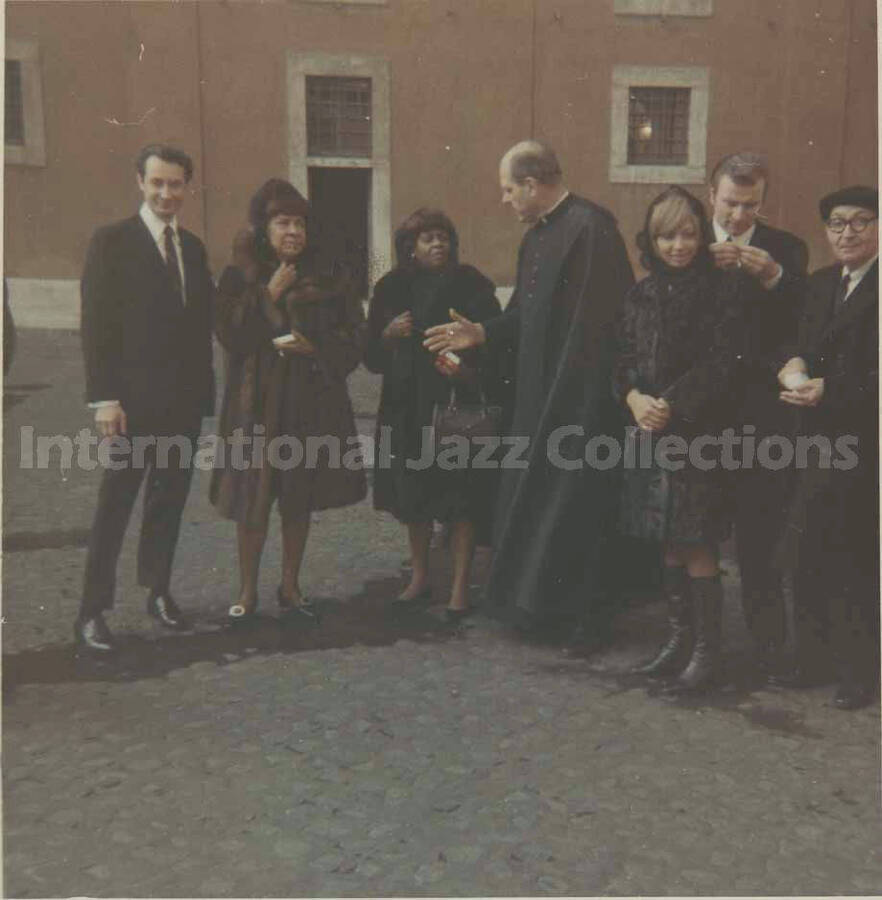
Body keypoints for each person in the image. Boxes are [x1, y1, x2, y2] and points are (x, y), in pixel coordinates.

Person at [424, 141, 634, 648]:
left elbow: (597, 331)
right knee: (540, 504)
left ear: (533, 185)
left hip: (581, 404)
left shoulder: (591, 230)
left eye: (507, 189)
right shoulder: (537, 238)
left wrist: (573, 404)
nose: (504, 200)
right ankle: (541, 610)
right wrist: (483, 334)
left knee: (578, 508)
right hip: (540, 398)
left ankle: (586, 622)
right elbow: (525, 316)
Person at [76, 144, 215, 651]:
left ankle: (157, 591)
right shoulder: (111, 242)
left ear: (186, 187)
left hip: (181, 405)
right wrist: (104, 400)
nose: (166, 193)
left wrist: (204, 398)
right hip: (131, 405)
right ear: (140, 181)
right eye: (157, 183)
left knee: (168, 502)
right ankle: (91, 611)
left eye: (175, 184)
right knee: (115, 504)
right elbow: (96, 326)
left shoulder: (194, 248)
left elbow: (200, 327)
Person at [210, 178, 366, 624]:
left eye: (299, 223)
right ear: (265, 229)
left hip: (308, 405)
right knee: (252, 500)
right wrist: (268, 294)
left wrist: (315, 348)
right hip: (255, 408)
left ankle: (291, 585)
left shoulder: (330, 276)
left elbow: (355, 335)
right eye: (283, 223)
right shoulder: (239, 276)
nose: (292, 232)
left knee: (298, 498)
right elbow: (229, 334)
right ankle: (246, 589)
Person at [615, 186, 744, 691]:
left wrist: (674, 404)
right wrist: (633, 400)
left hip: (698, 436)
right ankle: (678, 640)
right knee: (668, 538)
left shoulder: (718, 292)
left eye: (688, 234)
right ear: (651, 240)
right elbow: (620, 360)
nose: (678, 246)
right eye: (667, 236)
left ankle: (708, 653)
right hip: (650, 432)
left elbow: (722, 362)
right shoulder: (639, 294)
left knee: (697, 541)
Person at [365, 208, 504, 621]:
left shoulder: (473, 286)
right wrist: (386, 335)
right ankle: (420, 576)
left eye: (443, 236)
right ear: (410, 246)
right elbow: (370, 358)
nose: (437, 244)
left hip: (456, 407)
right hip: (406, 410)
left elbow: (497, 348)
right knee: (415, 500)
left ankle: (460, 588)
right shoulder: (390, 288)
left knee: (462, 501)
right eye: (427, 238)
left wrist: (466, 369)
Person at [775, 186, 878, 710]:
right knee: (809, 549)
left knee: (858, 558)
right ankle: (811, 657)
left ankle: (860, 670)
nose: (848, 233)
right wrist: (792, 366)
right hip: (814, 442)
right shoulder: (819, 285)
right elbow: (799, 342)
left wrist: (830, 389)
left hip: (866, 445)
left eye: (861, 221)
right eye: (838, 223)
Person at [707, 152, 809, 675]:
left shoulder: (786, 250)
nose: (740, 216)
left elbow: (803, 322)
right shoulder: (686, 242)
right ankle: (700, 646)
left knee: (759, 538)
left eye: (751, 206)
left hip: (758, 420)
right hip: (699, 418)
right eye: (731, 203)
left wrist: (774, 278)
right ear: (712, 196)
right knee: (694, 535)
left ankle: (769, 649)